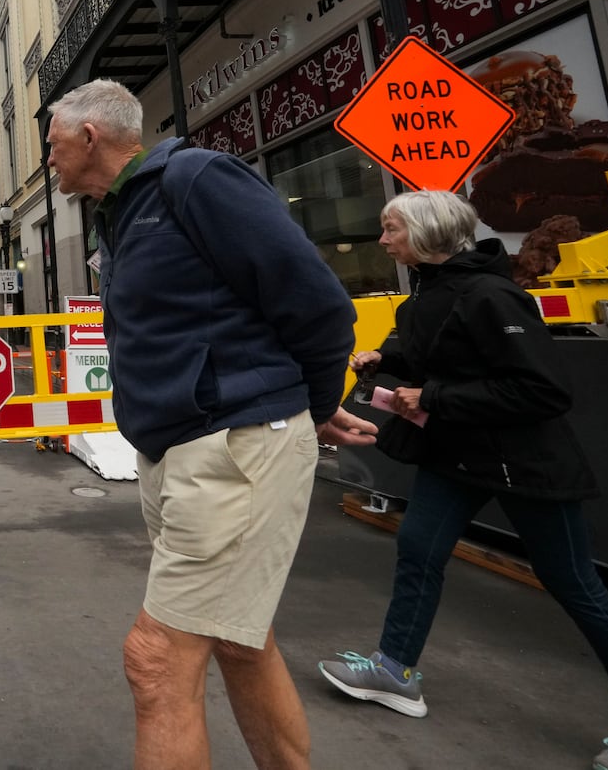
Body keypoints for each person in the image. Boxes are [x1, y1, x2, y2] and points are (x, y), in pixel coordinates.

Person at [45, 79, 376, 770]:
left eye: (52, 145)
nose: (48, 161)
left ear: (88, 137)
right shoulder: (124, 213)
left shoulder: (193, 178)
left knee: (157, 659)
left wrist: (311, 406)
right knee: (237, 638)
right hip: (181, 450)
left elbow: (318, 304)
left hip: (233, 444)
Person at [317, 190, 608, 770]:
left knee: (577, 588)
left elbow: (543, 390)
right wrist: (386, 366)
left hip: (526, 466)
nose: (383, 240)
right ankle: (395, 672)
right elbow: (439, 367)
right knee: (417, 553)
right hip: (456, 457)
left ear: (427, 234)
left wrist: (433, 395)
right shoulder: (425, 298)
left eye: (392, 229)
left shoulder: (492, 296)